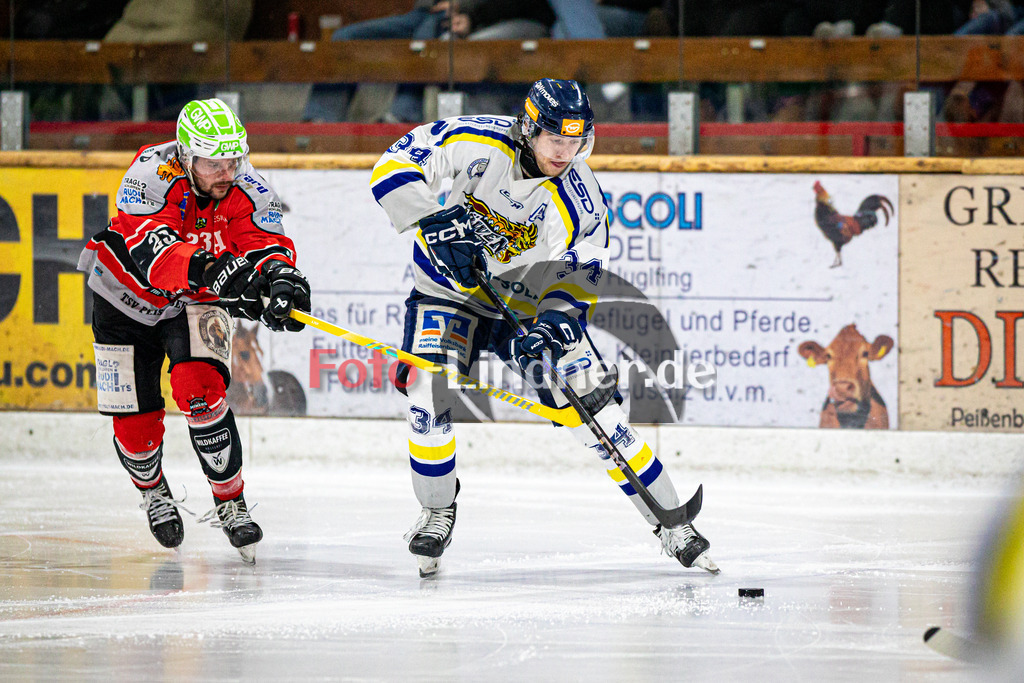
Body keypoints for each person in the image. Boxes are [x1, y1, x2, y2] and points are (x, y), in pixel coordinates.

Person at [369, 78, 717, 578]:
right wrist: (435, 218)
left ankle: (672, 523)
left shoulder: (579, 194)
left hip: (527, 310)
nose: (566, 151)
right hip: (449, 295)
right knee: (429, 393)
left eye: (576, 141)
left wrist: (554, 326)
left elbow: (581, 270)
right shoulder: (477, 140)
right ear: (529, 129)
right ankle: (437, 509)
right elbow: (394, 164)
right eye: (556, 139)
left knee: (598, 413)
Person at [77, 98, 311, 564]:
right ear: (185, 155)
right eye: (212, 162)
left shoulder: (248, 185)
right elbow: (156, 256)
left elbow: (265, 242)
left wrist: (281, 280)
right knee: (137, 426)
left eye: (233, 160)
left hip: (192, 299)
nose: (226, 172)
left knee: (201, 391)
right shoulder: (149, 173)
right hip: (122, 297)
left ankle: (231, 502)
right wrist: (222, 273)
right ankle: (152, 491)